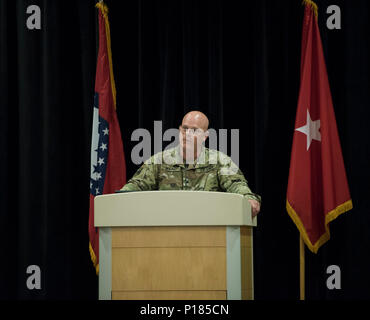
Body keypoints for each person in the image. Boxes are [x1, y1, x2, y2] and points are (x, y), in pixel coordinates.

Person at [121, 111, 261, 216]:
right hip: (166, 231)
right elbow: (137, 184)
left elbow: (236, 184)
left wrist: (248, 199)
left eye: (194, 130)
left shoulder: (220, 161)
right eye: (184, 128)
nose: (187, 134)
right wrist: (120, 198)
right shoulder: (158, 161)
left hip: (208, 230)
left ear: (205, 136)